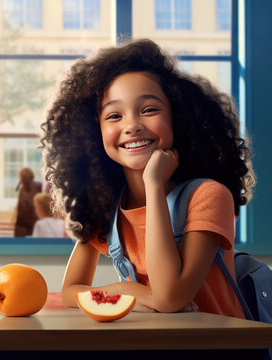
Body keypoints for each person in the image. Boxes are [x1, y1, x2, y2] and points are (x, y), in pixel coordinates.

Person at [40, 39, 255, 319]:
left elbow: (169, 298)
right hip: (152, 344)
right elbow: (70, 291)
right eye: (114, 115)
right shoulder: (106, 207)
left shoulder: (209, 196)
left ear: (178, 118)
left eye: (149, 110)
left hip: (219, 348)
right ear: (94, 133)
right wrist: (128, 290)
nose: (132, 125)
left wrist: (154, 185)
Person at [12, 167, 42, 237]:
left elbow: (19, 206)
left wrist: (13, 219)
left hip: (22, 225)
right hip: (35, 222)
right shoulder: (39, 186)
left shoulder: (22, 189)